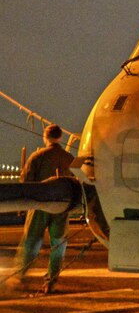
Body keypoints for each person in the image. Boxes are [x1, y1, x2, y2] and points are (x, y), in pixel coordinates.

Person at [12, 124, 75, 293]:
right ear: (60, 137)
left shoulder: (37, 156)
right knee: (58, 244)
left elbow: (25, 182)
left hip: (39, 204)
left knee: (32, 241)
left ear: (45, 137)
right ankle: (51, 282)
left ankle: (21, 275)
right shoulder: (69, 158)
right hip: (62, 207)